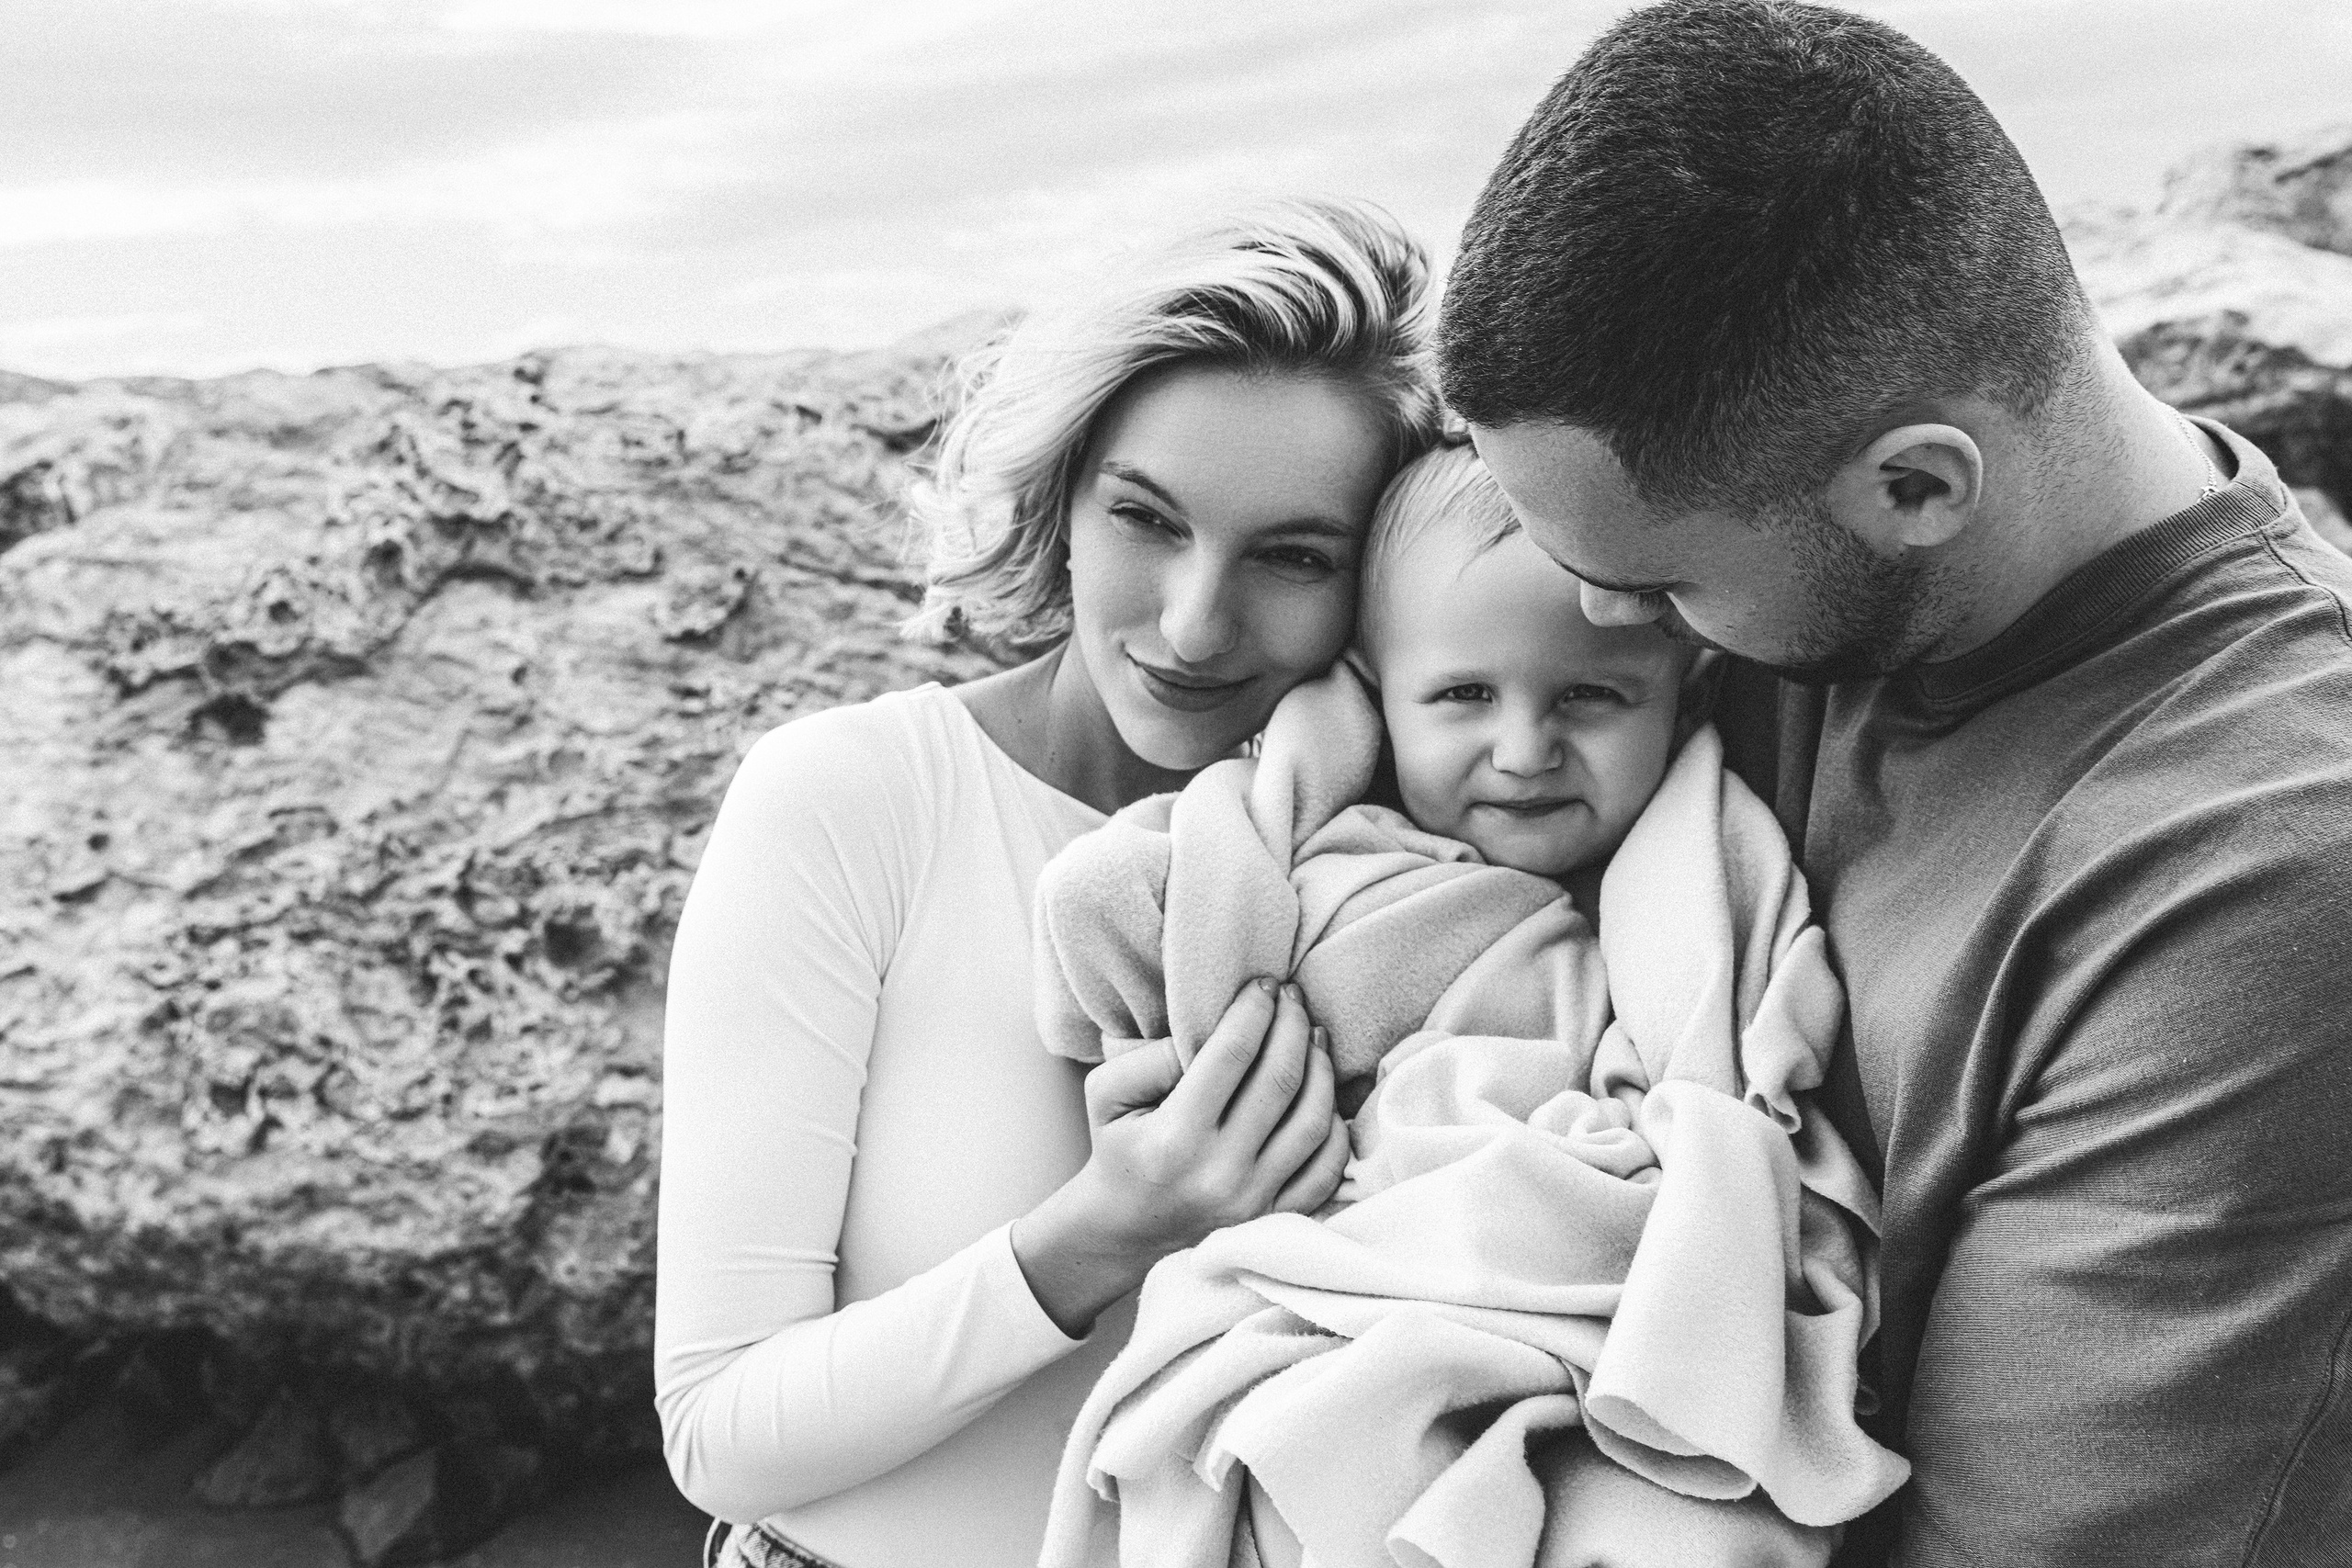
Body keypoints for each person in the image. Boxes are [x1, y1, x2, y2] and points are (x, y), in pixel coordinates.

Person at [1436, 3, 2352, 1565]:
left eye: (1654, 591)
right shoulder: (1806, 564)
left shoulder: (2260, 871)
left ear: (1916, 485)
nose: (1596, 625)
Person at [653, 197, 1446, 1568]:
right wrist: (1100, 1234)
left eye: (1293, 555)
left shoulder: (1408, 865)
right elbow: (722, 1428)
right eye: (1146, 518)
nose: (1195, 622)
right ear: (1063, 499)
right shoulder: (858, 801)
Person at [1033, 446, 1901, 1568]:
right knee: (1320, 1448)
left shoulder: (1710, 870)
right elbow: (1114, 908)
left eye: (1591, 696)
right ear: (1372, 693)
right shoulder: (1331, 873)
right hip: (1346, 1296)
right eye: (1462, 697)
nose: (1525, 750)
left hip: (1612, 1327)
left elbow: (1754, 1080)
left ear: (1681, 689)